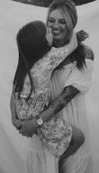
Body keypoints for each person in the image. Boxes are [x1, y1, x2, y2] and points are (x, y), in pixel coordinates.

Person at [14, 0, 94, 173]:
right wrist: (15, 118)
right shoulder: (38, 49)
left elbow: (64, 98)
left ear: (72, 24)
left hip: (67, 126)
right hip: (40, 134)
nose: (56, 26)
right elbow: (18, 85)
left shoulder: (85, 54)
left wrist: (35, 121)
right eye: (51, 20)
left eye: (63, 21)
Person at [11, 20, 87, 160]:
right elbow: (73, 45)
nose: (51, 30)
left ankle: (51, 146)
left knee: (50, 138)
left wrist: (14, 118)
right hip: (34, 118)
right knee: (79, 138)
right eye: (48, 32)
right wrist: (75, 35)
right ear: (41, 42)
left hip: (21, 114)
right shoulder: (49, 58)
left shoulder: (25, 63)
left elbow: (14, 92)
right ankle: (58, 160)